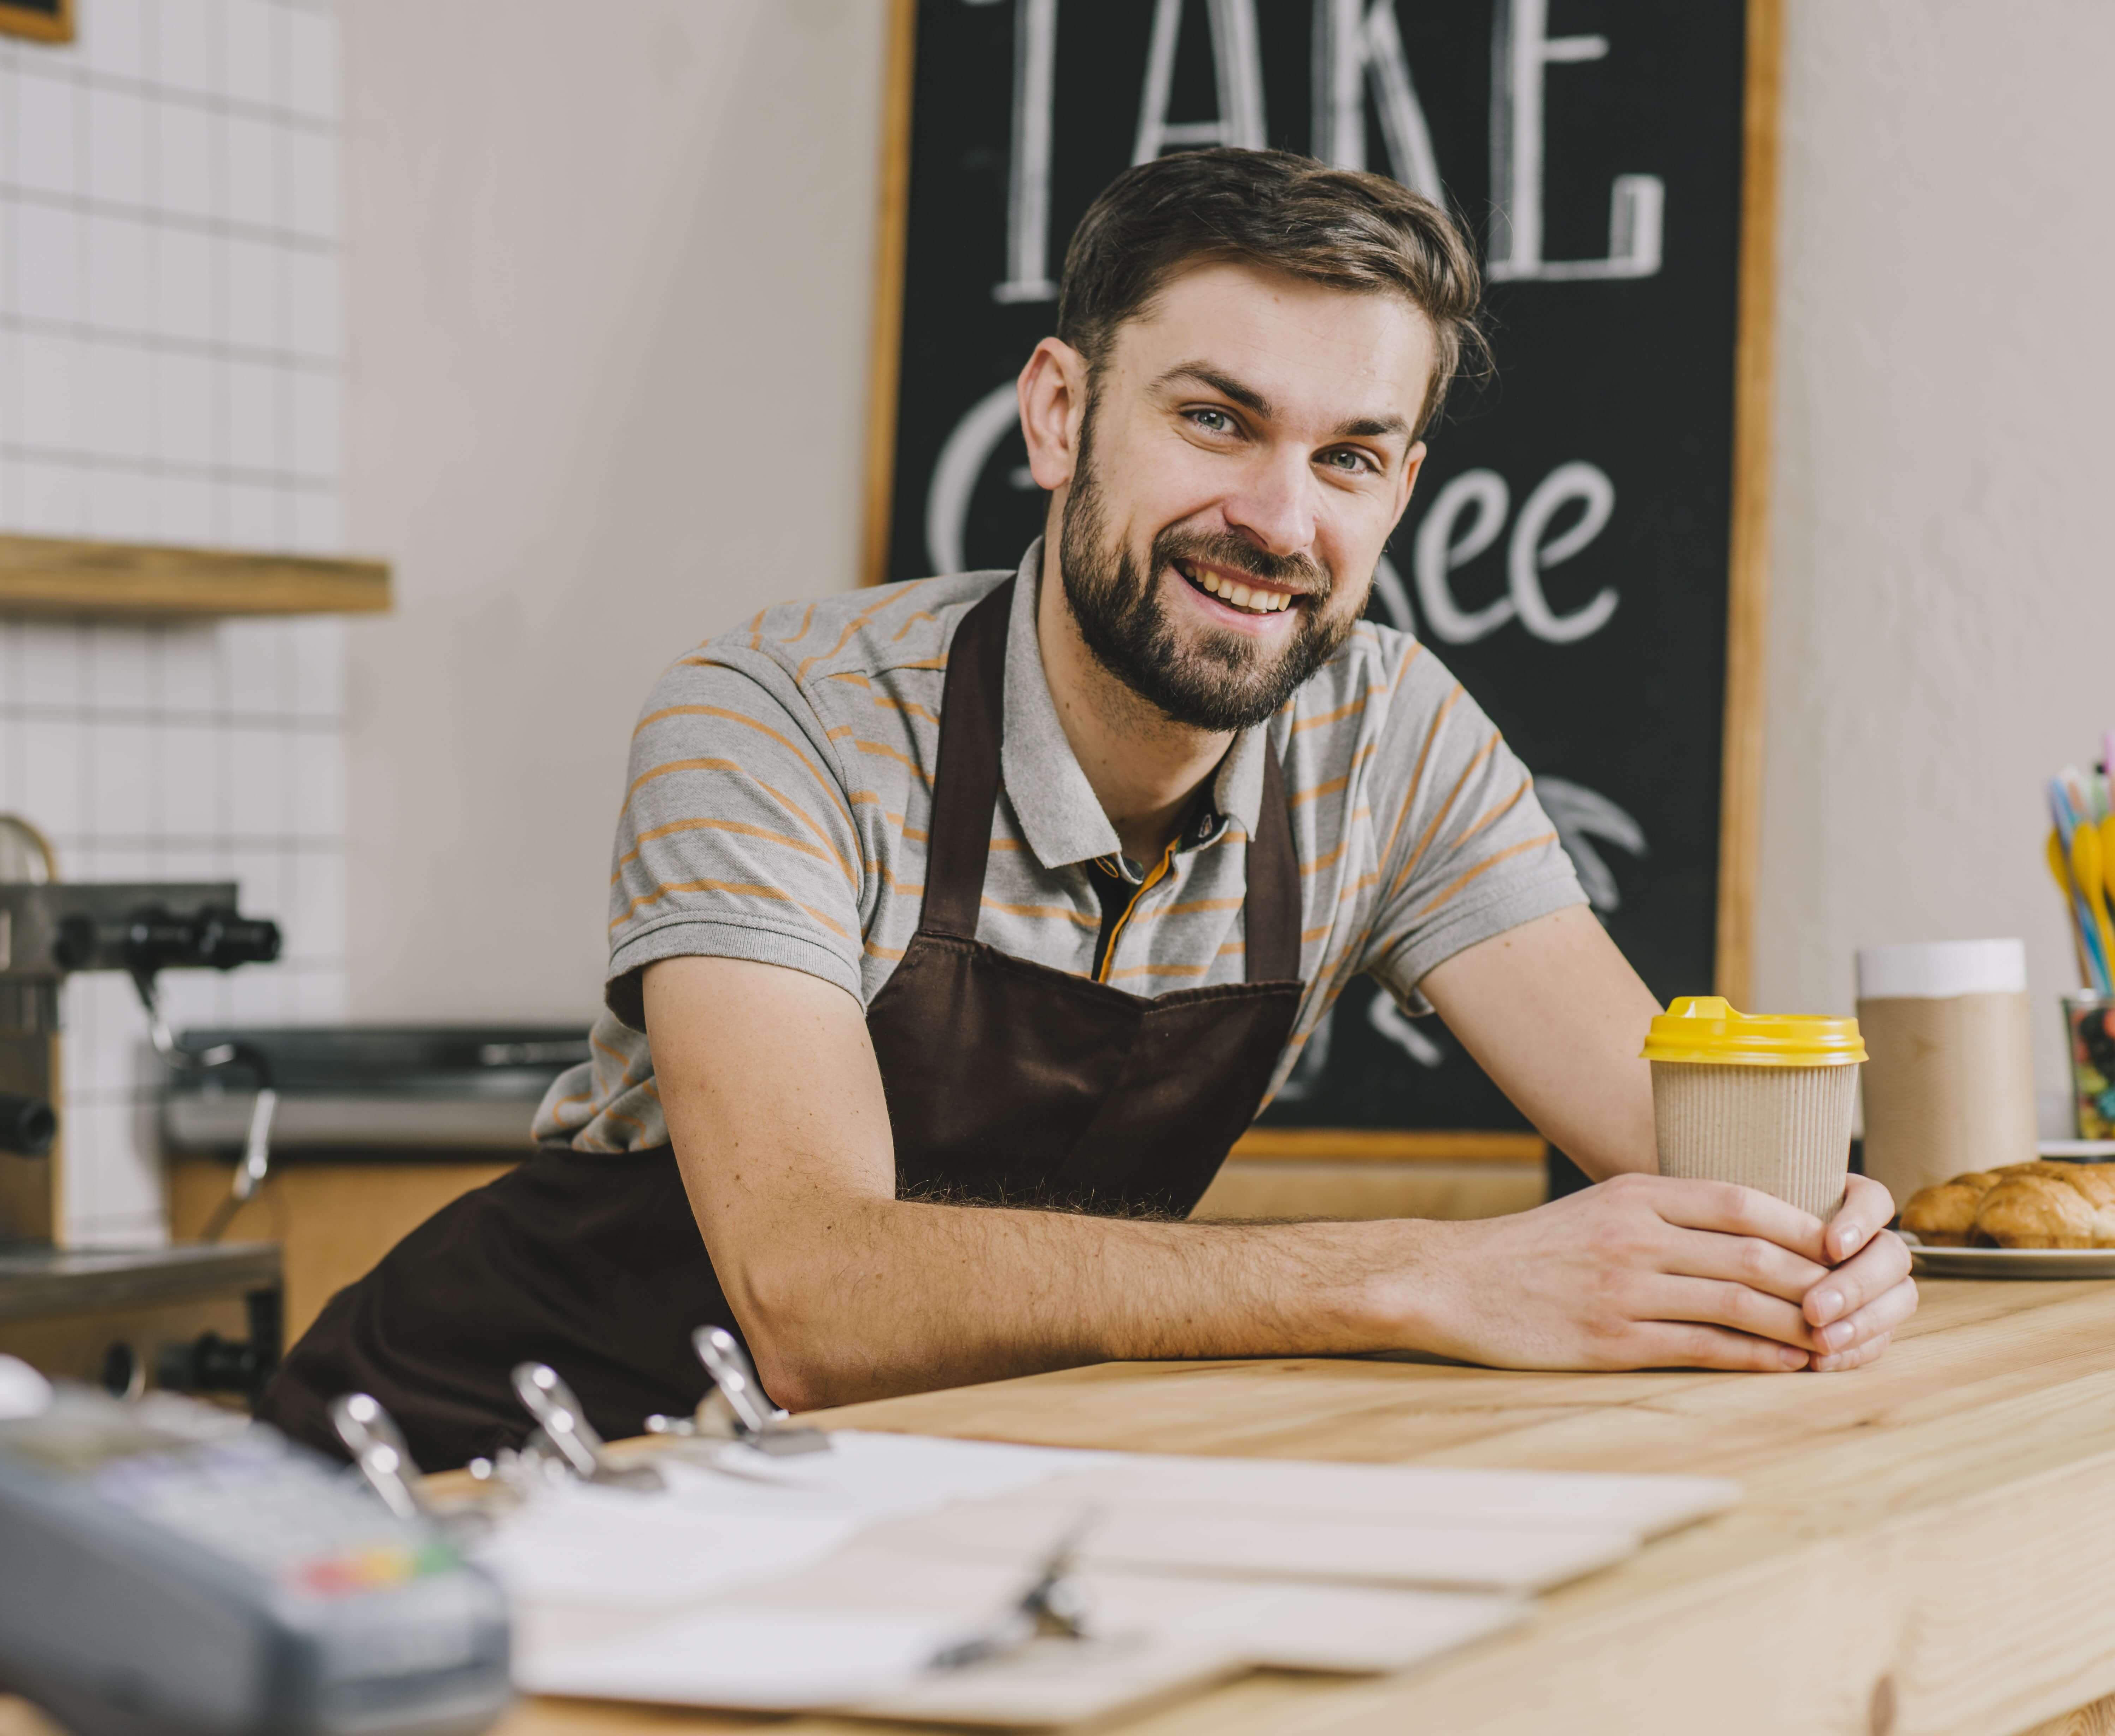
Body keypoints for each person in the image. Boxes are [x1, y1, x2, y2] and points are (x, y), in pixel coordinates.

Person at [262, 148, 1916, 1472]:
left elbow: (1682, 1154)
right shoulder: (775, 721)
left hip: (895, 1489)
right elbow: (814, 1293)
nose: (1278, 518)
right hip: (482, 1474)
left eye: (1351, 456)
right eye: (1214, 419)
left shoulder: (1390, 737)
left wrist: (1823, 1241)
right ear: (1060, 415)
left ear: (1402, 487)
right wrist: (1437, 1273)